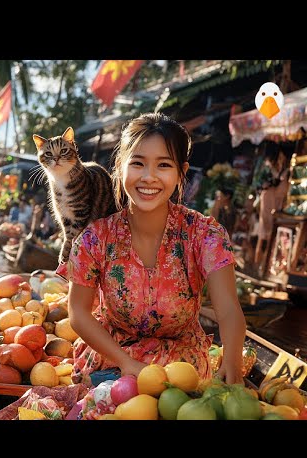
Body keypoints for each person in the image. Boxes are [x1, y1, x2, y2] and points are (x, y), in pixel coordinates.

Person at [60, 113, 246, 387]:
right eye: (137, 163)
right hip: (112, 363)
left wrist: (232, 362)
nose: (149, 177)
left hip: (184, 371)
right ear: (121, 166)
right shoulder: (94, 239)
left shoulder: (205, 234)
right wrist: (126, 362)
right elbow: (78, 312)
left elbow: (228, 310)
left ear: (181, 172)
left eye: (163, 165)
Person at [254, 149, 290, 267]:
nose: (281, 160)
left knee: (269, 236)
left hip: (275, 204)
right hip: (269, 202)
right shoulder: (272, 171)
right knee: (264, 234)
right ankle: (258, 265)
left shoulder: (284, 172)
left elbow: (280, 179)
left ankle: (264, 265)